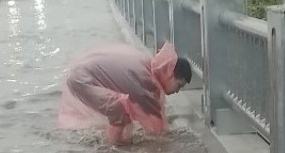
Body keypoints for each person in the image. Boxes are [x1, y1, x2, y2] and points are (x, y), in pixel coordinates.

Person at [58, 42, 192, 145]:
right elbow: (156, 124)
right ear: (170, 74)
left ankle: (113, 145)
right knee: (118, 110)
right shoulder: (146, 80)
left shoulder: (148, 68)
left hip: (82, 76)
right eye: (179, 85)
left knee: (121, 112)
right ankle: (113, 149)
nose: (177, 91)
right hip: (82, 80)